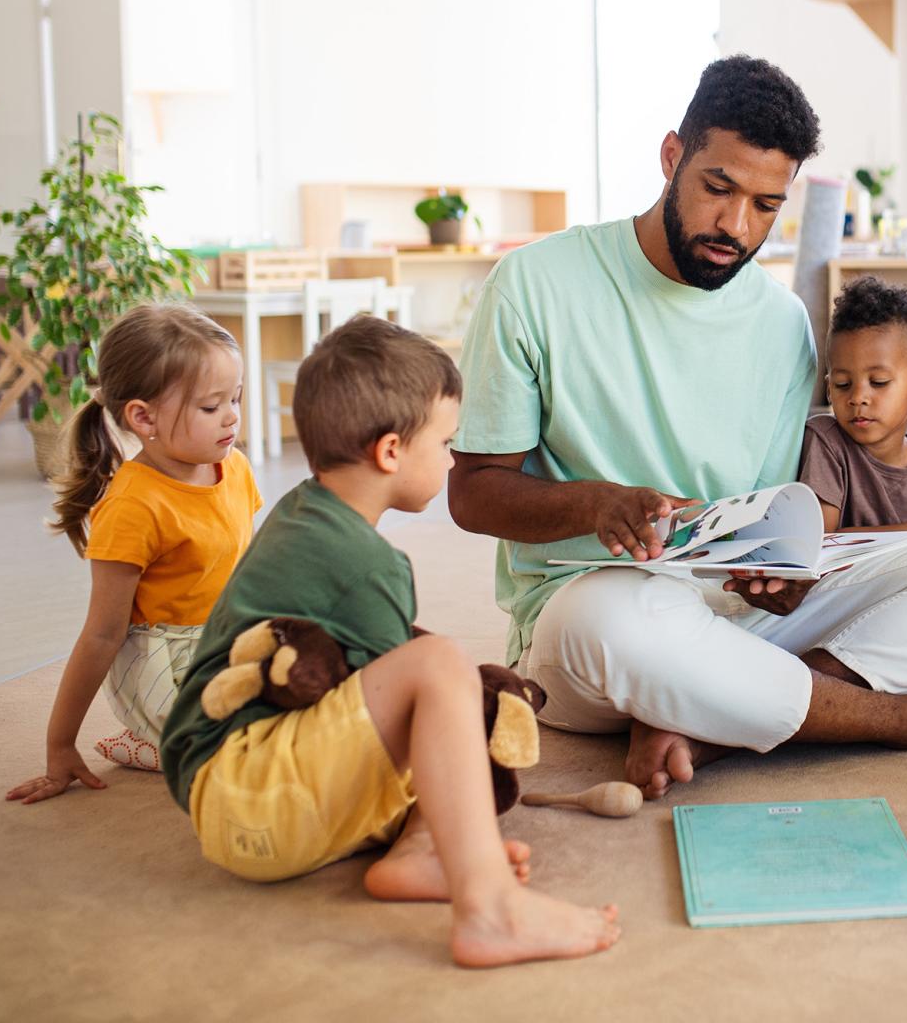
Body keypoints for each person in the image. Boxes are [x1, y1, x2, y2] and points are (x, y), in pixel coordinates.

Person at [448, 55, 907, 801]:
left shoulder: (780, 324)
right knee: (610, 622)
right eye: (718, 189)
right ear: (673, 156)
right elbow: (474, 494)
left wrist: (783, 571)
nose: (736, 227)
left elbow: (774, 513)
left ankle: (708, 723)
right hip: (597, 612)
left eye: (766, 205)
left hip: (735, 623)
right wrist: (595, 504)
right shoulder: (535, 285)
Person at [160, 316, 620, 968]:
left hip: (236, 792)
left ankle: (420, 852)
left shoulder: (304, 513)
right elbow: (403, 720)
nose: (454, 458)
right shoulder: (365, 565)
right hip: (245, 797)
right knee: (438, 669)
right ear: (390, 452)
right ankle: (489, 908)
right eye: (446, 441)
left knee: (442, 685)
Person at [7, 304, 258, 800]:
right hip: (164, 663)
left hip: (223, 638)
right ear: (144, 417)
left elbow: (243, 567)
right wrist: (60, 746)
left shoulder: (234, 467)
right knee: (258, 747)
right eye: (212, 407)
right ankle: (153, 739)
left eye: (236, 398)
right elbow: (101, 635)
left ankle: (167, 741)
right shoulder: (131, 506)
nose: (231, 416)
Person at [798, 276, 907, 536]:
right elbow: (819, 544)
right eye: (842, 384)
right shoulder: (826, 441)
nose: (858, 397)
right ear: (828, 388)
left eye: (879, 382)